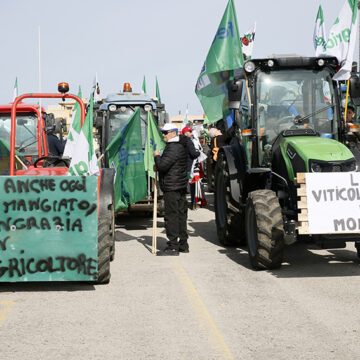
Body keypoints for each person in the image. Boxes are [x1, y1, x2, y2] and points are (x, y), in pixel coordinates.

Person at [154, 123, 189, 255]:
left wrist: (157, 157)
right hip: (178, 185)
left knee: (172, 216)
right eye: (162, 132)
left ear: (173, 133)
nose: (163, 135)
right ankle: (183, 245)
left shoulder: (173, 147)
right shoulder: (179, 145)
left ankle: (173, 246)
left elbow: (163, 166)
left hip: (172, 186)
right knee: (180, 215)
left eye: (165, 132)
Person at [181, 126, 200, 209]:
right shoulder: (189, 142)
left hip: (182, 166)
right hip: (189, 166)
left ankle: (183, 202)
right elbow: (193, 154)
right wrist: (199, 153)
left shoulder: (179, 141)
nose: (191, 134)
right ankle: (193, 203)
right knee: (192, 183)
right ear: (186, 133)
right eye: (190, 132)